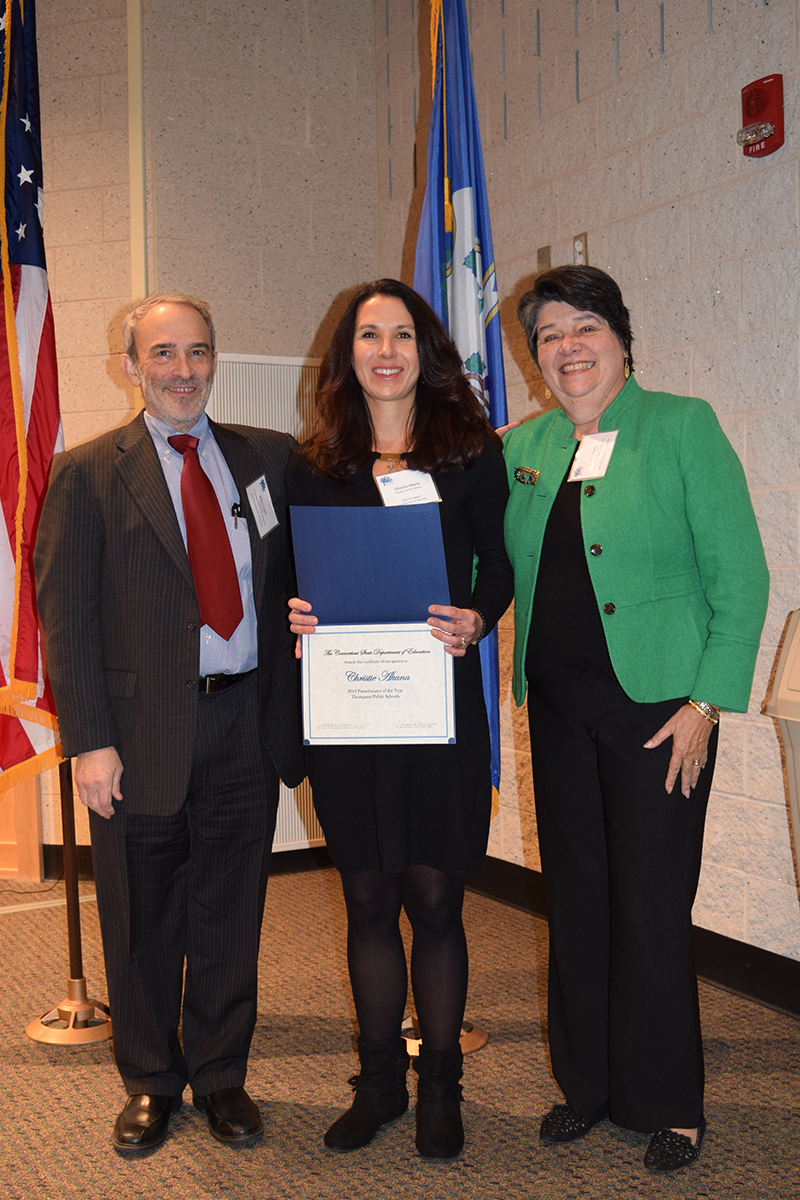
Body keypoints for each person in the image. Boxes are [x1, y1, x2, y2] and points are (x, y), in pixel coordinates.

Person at [503, 266, 769, 1173]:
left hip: (661, 713)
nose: (567, 347)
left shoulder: (682, 426)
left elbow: (742, 578)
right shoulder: (527, 445)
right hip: (560, 713)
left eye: (585, 327)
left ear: (621, 339)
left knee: (650, 906)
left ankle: (669, 1104)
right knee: (577, 900)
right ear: (535, 357)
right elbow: (486, 563)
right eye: (549, 335)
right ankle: (589, 1088)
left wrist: (707, 702)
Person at [34, 294, 304, 1154]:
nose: (183, 371)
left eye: (197, 351)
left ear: (214, 358)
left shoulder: (269, 458)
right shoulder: (85, 473)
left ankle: (221, 1074)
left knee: (231, 910)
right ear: (131, 365)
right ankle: (151, 1079)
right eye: (163, 354)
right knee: (140, 917)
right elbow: (67, 621)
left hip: (245, 721)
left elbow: (304, 569)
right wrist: (89, 741)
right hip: (134, 733)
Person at [287, 279, 513, 1159]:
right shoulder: (315, 463)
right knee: (369, 897)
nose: (386, 351)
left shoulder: (470, 454)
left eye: (403, 334)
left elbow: (499, 566)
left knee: (436, 896)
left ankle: (440, 1085)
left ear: (427, 350)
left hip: (436, 706)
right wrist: (296, 613)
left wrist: (478, 617)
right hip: (351, 712)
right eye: (369, 335)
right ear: (347, 355)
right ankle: (378, 1083)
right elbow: (291, 582)